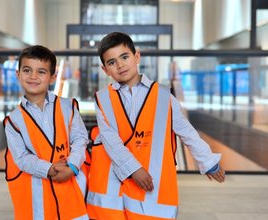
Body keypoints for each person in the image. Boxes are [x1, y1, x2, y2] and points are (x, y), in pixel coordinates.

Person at [86, 32, 225, 220]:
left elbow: (185, 131)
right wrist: (134, 169)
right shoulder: (102, 98)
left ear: (137, 57)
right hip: (113, 190)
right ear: (105, 70)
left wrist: (208, 161)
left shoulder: (163, 96)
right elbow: (110, 140)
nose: (119, 65)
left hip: (154, 186)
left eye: (124, 57)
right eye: (112, 62)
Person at [3, 45, 89, 220]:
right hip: (37, 201)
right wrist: (49, 169)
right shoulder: (13, 120)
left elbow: (80, 139)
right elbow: (21, 158)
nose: (33, 76)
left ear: (52, 77)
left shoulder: (68, 107)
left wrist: (72, 166)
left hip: (71, 191)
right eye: (27, 70)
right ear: (18, 74)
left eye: (41, 72)